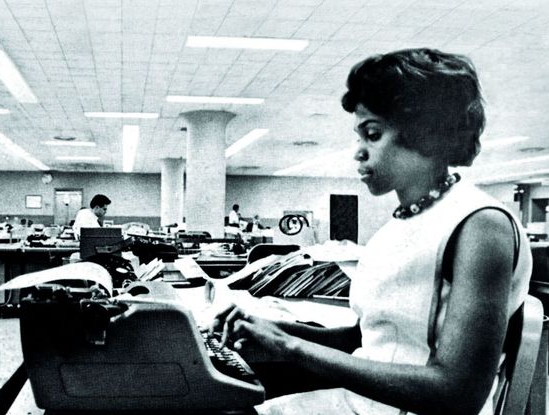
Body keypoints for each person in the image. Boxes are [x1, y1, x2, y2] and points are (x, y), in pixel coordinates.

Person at [211, 48, 532, 415]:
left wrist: (289, 347)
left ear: (425, 133)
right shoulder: (400, 225)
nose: (358, 153)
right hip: (364, 405)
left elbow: (458, 393)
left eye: (373, 134)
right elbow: (367, 340)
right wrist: (272, 330)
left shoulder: (481, 225)